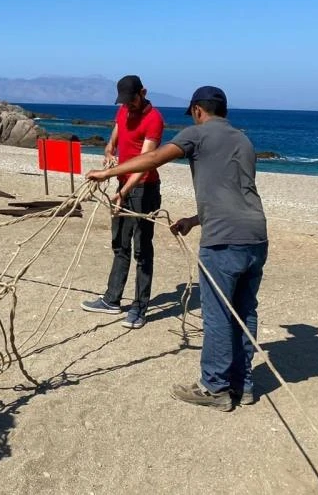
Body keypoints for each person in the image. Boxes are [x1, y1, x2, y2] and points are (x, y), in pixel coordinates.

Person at [86, 86, 268, 411]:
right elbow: (236, 192)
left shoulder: (196, 134)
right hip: (255, 235)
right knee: (244, 312)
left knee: (218, 316)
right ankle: (244, 385)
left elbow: (155, 157)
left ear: (198, 110)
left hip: (224, 240)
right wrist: (194, 221)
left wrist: (107, 173)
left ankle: (215, 388)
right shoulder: (243, 140)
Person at [81, 75, 164, 329]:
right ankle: (112, 299)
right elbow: (113, 140)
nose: (128, 106)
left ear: (144, 92)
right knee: (119, 244)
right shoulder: (123, 111)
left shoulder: (154, 120)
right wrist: (108, 153)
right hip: (122, 185)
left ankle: (139, 308)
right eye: (124, 102)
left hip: (143, 189)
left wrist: (124, 193)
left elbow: (145, 162)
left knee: (141, 249)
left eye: (132, 100)